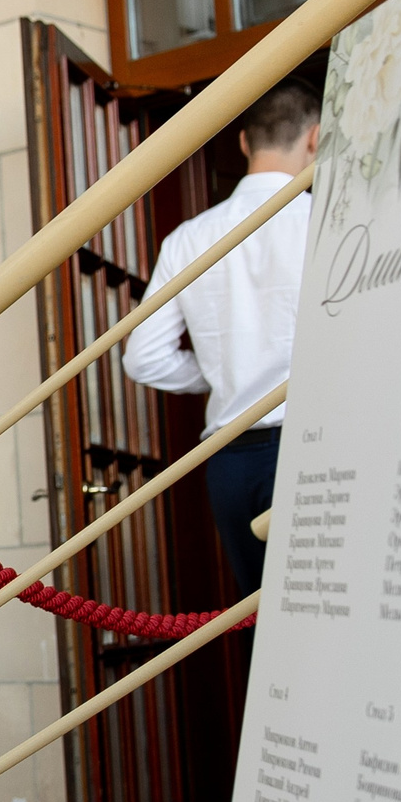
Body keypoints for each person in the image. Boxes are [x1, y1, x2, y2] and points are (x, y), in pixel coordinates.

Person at [123, 77, 322, 595]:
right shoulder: (326, 221)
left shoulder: (189, 238)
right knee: (331, 613)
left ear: (242, 142)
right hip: (315, 440)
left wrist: (219, 373)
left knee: (261, 621)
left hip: (232, 457)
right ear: (316, 138)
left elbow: (142, 358)